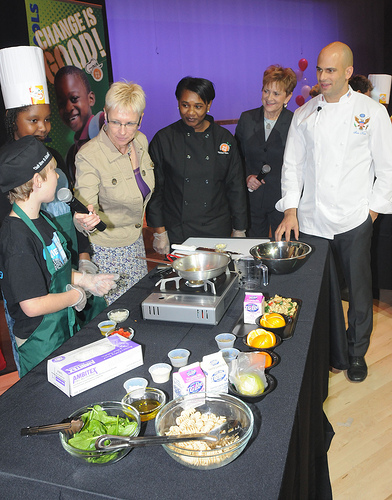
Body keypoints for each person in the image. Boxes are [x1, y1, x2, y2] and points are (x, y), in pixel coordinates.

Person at [275, 41, 392, 382]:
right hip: (312, 220)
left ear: (348, 73)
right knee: (319, 293)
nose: (322, 77)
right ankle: (330, 352)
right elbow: (292, 166)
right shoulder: (305, 113)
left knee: (357, 294)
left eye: (330, 70)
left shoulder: (372, 112)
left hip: (354, 219)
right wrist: (291, 210)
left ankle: (355, 354)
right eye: (319, 70)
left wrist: (370, 214)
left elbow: (386, 169)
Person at [0, 136, 117, 377]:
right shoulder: (17, 239)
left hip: (60, 328)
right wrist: (74, 295)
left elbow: (51, 270)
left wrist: (86, 281)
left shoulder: (40, 219)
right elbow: (32, 305)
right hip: (39, 339)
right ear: (36, 181)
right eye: (52, 171)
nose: (57, 176)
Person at [74, 81, 155, 304]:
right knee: (118, 317)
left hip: (135, 243)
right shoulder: (89, 155)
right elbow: (84, 205)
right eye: (115, 122)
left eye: (130, 123)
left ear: (141, 118)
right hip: (108, 252)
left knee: (140, 307)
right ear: (105, 113)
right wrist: (84, 219)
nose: (121, 131)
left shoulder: (140, 141)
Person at [146, 76, 248, 253]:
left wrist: (239, 229)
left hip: (217, 229)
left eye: (198, 106)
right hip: (179, 229)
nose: (190, 112)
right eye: (185, 105)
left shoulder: (224, 139)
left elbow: (235, 186)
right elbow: (155, 190)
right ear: (178, 103)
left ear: (208, 105)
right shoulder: (164, 140)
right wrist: (159, 231)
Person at [235, 65, 296, 237]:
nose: (269, 98)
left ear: (288, 96)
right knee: (252, 250)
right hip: (252, 198)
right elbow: (236, 157)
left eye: (276, 94)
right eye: (266, 91)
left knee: (283, 250)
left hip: (282, 200)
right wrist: (247, 176)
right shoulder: (247, 119)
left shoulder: (295, 122)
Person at [54, 65, 105, 186]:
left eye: (74, 98)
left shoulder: (104, 125)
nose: (68, 108)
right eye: (61, 104)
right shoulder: (71, 154)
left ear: (91, 98)